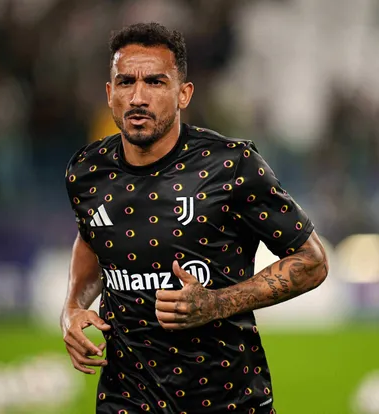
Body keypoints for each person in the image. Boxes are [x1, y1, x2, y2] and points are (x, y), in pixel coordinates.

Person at [60, 22, 329, 414]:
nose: (138, 97)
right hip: (124, 400)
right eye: (125, 82)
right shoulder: (86, 171)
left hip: (228, 401)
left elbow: (312, 261)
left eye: (155, 82)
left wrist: (216, 303)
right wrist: (72, 306)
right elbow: (92, 238)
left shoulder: (232, 165)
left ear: (183, 94)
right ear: (109, 93)